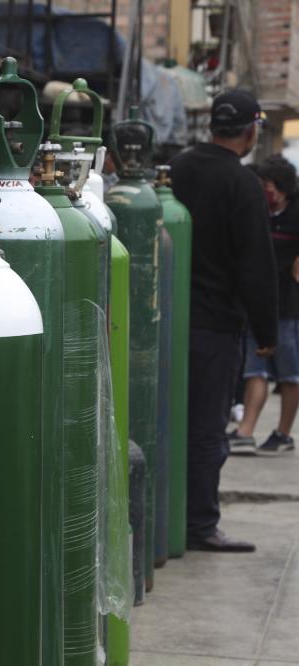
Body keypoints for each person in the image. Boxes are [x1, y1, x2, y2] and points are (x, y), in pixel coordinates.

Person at [169, 89, 278, 553]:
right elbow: (255, 263)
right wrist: (267, 331)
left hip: (165, 318)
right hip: (214, 326)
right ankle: (198, 524)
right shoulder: (242, 183)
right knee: (206, 427)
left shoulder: (176, 168)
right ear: (252, 130)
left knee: (165, 419)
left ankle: (163, 516)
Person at [229, 155, 299, 455]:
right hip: (257, 304)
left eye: (267, 185)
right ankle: (246, 431)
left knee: (289, 374)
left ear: (281, 188)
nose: (264, 191)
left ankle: (283, 434)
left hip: (288, 308)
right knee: (254, 369)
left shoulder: (296, 214)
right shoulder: (258, 212)